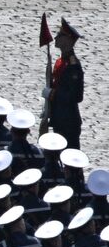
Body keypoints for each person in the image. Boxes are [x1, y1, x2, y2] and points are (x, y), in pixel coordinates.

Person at [46, 18, 84, 149]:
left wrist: (53, 94)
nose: (56, 37)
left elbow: (77, 96)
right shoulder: (60, 62)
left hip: (69, 121)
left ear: (68, 40)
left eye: (60, 35)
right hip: (58, 118)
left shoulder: (73, 66)